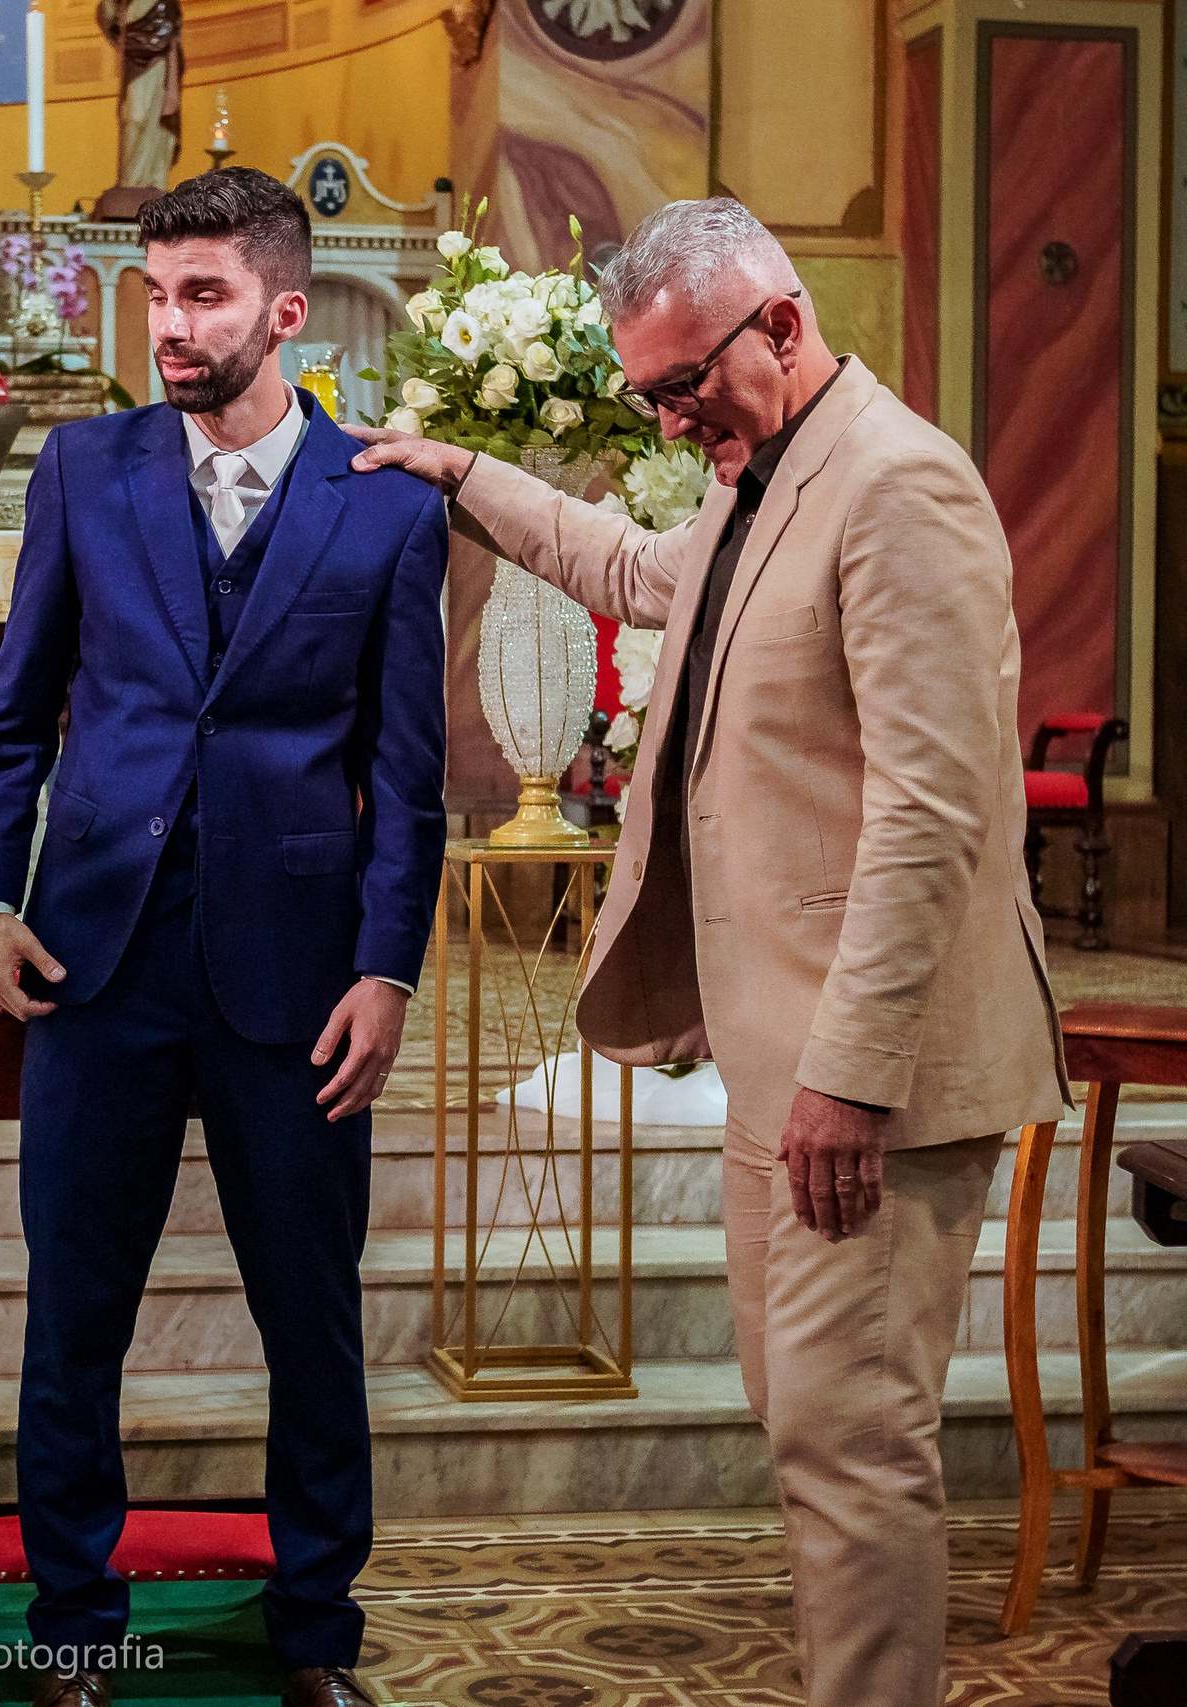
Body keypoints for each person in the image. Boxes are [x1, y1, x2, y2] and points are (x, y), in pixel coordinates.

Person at [353, 196, 1066, 1707]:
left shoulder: (896, 489)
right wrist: (465, 474)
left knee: (857, 1449)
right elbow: (629, 570)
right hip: (777, 1062)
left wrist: (850, 1081)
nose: (673, 421)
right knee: (810, 1433)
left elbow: (938, 814)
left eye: (686, 386)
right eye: (649, 395)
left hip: (867, 1079)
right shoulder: (769, 484)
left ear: (784, 326)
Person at [0, 167, 449, 1707]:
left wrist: (386, 971)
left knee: (310, 1318)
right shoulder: (84, 470)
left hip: (296, 977)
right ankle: (73, 1632)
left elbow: (409, 777)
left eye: (205, 296)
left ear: (286, 313)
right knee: (73, 1315)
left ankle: (315, 1634)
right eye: (156, 294)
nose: (167, 325)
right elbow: (12, 716)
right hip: (95, 959)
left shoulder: (385, 503)